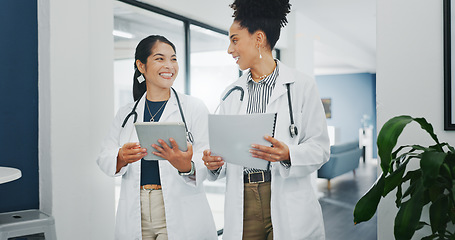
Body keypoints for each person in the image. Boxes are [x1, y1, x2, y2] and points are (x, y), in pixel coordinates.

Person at [202, 0, 330, 239]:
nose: (230, 50)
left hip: (287, 197)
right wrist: (214, 161)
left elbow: (320, 148)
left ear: (258, 39)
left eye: (235, 40)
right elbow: (222, 153)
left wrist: (289, 154)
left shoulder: (301, 86)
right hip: (244, 200)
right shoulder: (231, 94)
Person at [97, 35, 217, 240]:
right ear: (141, 66)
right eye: (160, 59)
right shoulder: (127, 112)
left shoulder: (193, 107)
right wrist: (121, 157)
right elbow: (104, 156)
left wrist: (186, 165)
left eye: (173, 59)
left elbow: (209, 155)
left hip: (179, 207)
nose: (169, 65)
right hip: (137, 207)